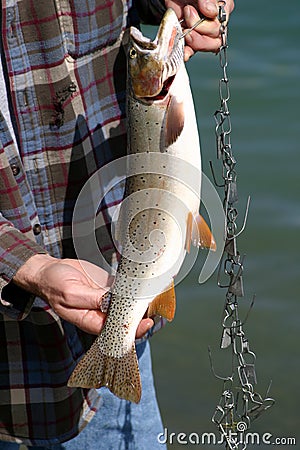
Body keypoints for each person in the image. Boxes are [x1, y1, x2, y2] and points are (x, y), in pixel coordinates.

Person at [0, 0, 234, 448]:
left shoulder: (162, 88)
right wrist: (26, 267)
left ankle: (116, 347)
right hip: (13, 365)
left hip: (114, 286)